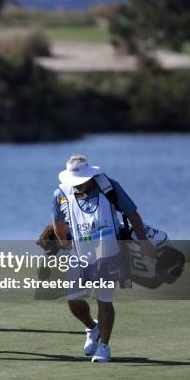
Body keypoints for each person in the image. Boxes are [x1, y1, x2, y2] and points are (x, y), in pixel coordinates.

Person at [52, 154, 155, 363]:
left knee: (104, 298)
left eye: (82, 181)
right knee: (73, 300)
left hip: (109, 254)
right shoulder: (61, 193)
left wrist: (144, 242)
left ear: (90, 176)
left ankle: (105, 347)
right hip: (80, 255)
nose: (78, 186)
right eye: (75, 182)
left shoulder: (108, 187)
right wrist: (63, 242)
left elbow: (132, 213)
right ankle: (92, 327)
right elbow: (58, 221)